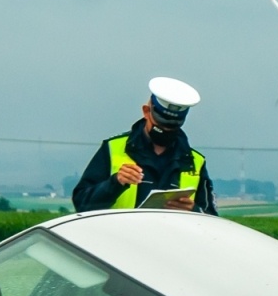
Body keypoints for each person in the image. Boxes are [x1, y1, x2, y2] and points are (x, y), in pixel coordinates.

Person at [71, 77, 218, 215]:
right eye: (161, 123)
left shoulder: (195, 162)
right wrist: (115, 183)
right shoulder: (112, 148)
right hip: (118, 240)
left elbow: (211, 218)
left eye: (172, 126)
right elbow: (82, 204)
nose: (166, 130)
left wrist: (193, 210)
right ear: (146, 112)